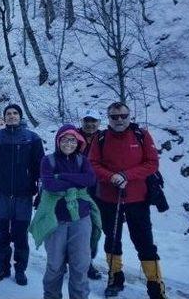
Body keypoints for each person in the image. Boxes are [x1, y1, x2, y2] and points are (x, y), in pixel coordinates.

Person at [88, 102, 165, 299]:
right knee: (112, 239)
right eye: (114, 116)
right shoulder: (101, 137)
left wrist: (126, 175)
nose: (119, 119)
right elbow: (93, 163)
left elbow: (152, 163)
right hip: (108, 197)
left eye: (123, 115)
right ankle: (115, 278)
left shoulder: (141, 135)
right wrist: (110, 176)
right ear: (109, 118)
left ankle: (155, 286)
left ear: (129, 116)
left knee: (144, 242)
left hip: (137, 198)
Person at [29, 124, 102, 299]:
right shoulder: (48, 160)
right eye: (64, 139)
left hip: (81, 218)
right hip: (55, 219)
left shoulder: (82, 161)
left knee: (80, 265)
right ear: (58, 141)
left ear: (78, 142)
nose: (68, 143)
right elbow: (49, 185)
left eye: (72, 140)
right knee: (55, 265)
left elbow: (90, 180)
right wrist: (76, 182)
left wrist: (61, 176)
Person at [0, 104, 45, 286]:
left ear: (20, 116)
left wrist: (39, 191)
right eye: (8, 114)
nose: (11, 116)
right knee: (2, 234)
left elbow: (39, 167)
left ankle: (20, 269)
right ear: (4, 117)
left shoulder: (32, 138)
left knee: (20, 235)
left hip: (23, 195)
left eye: (15, 113)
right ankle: (2, 267)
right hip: (1, 194)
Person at [77, 108, 103, 280]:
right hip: (76, 189)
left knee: (94, 228)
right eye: (87, 121)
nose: (90, 124)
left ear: (99, 123)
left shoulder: (105, 138)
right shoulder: (74, 137)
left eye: (93, 121)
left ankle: (88, 261)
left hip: (98, 190)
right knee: (75, 228)